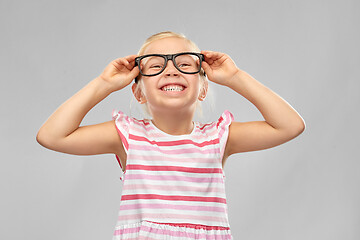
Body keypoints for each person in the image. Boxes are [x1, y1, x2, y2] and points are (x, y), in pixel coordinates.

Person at [37, 31, 305, 239]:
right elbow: (52, 136)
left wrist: (235, 76)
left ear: (202, 89)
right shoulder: (128, 136)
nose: (171, 69)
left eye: (185, 63)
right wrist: (104, 84)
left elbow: (289, 125)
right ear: (138, 92)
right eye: (155, 66)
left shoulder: (218, 138)